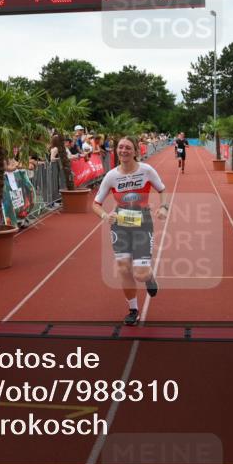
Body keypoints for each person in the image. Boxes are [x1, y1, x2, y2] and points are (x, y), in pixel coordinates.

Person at [92, 136, 169, 326]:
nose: (123, 151)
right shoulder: (111, 176)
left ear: (135, 151)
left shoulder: (147, 171)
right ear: (116, 151)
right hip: (120, 223)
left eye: (127, 147)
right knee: (124, 269)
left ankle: (149, 277)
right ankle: (133, 310)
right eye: (120, 147)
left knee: (140, 274)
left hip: (142, 222)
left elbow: (162, 190)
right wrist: (104, 216)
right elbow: (96, 204)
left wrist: (164, 207)